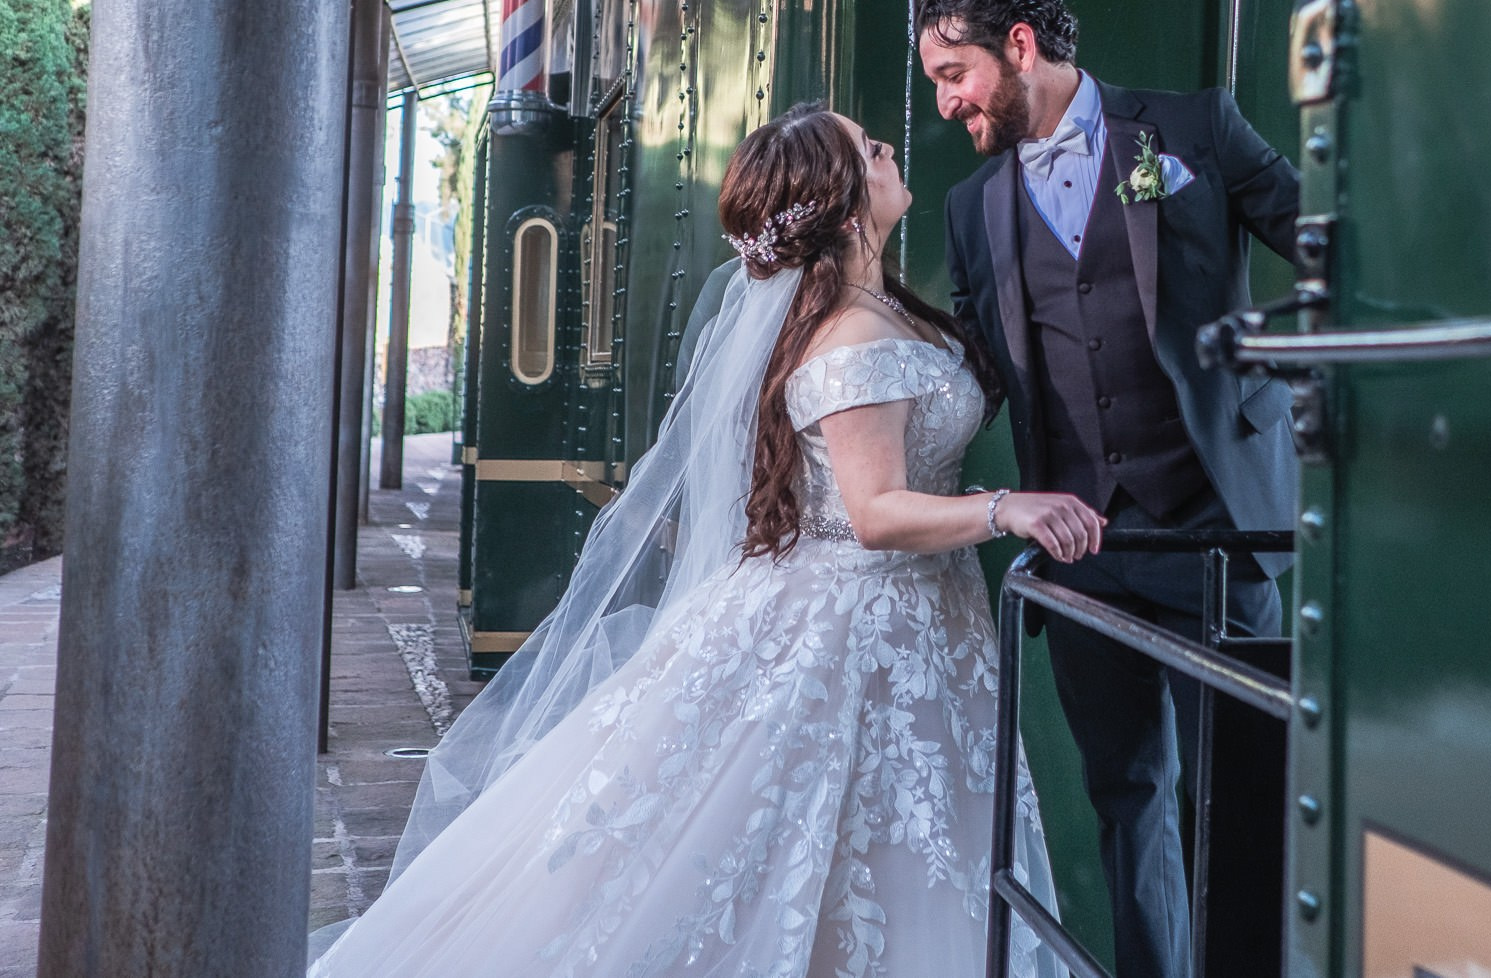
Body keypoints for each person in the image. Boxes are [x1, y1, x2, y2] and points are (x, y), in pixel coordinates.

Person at [309, 102, 1097, 977]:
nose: (887, 150)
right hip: (856, 628)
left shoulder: (877, 309)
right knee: (841, 844)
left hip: (902, 624)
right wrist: (1004, 508)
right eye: (869, 149)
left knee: (859, 850)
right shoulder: (858, 335)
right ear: (843, 207)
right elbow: (875, 514)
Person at [923, 0, 1300, 978]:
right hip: (1084, 549)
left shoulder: (1193, 130)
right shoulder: (969, 207)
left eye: (953, 74)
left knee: (1239, 800)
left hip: (1218, 529)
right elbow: (970, 362)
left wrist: (1302, 380)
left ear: (1017, 47)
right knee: (1124, 795)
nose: (946, 102)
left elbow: (1322, 241)